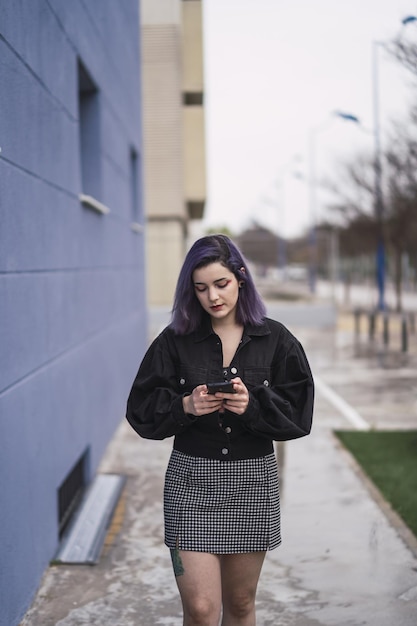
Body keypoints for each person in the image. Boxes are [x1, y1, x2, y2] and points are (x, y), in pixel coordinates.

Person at [126, 234, 314, 626]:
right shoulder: (174, 341)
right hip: (191, 482)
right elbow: (140, 410)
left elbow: (299, 414)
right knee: (200, 609)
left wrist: (253, 406)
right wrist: (184, 406)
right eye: (200, 288)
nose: (212, 296)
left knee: (241, 604)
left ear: (241, 278)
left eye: (221, 283)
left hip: (252, 483)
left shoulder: (276, 339)